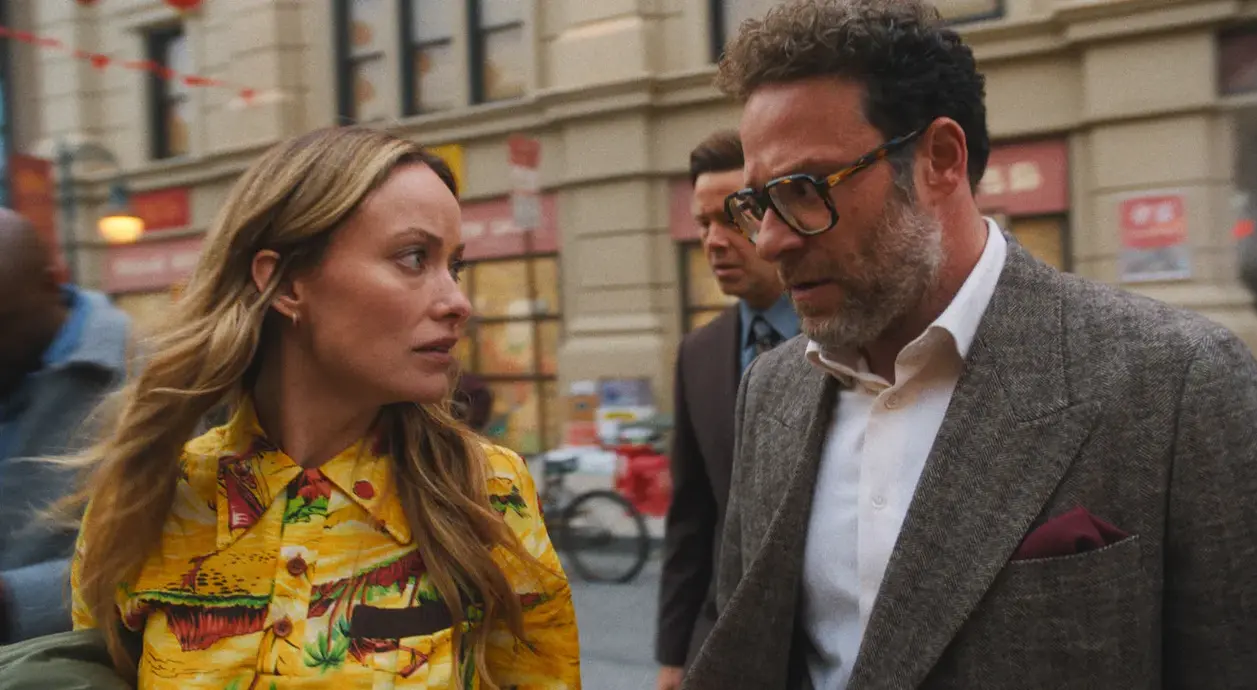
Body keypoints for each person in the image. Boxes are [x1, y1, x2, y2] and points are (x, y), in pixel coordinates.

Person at [685, 1, 1257, 689]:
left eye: (803, 190)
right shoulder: (770, 390)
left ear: (940, 159)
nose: (769, 240)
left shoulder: (1177, 382)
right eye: (758, 203)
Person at [63, 127, 580, 689]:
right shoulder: (148, 495)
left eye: (453, 266)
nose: (459, 302)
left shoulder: (486, 491)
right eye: (414, 258)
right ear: (286, 283)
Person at [655, 130, 795, 690]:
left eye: (732, 218)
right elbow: (691, 518)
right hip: (722, 648)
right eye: (702, 223)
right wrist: (673, 657)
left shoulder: (842, 334)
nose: (713, 241)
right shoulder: (699, 353)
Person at [0, 211, 131, 644]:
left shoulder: (147, 378)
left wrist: (15, 601)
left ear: (51, 284)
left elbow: (178, 556)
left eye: (2, 322)